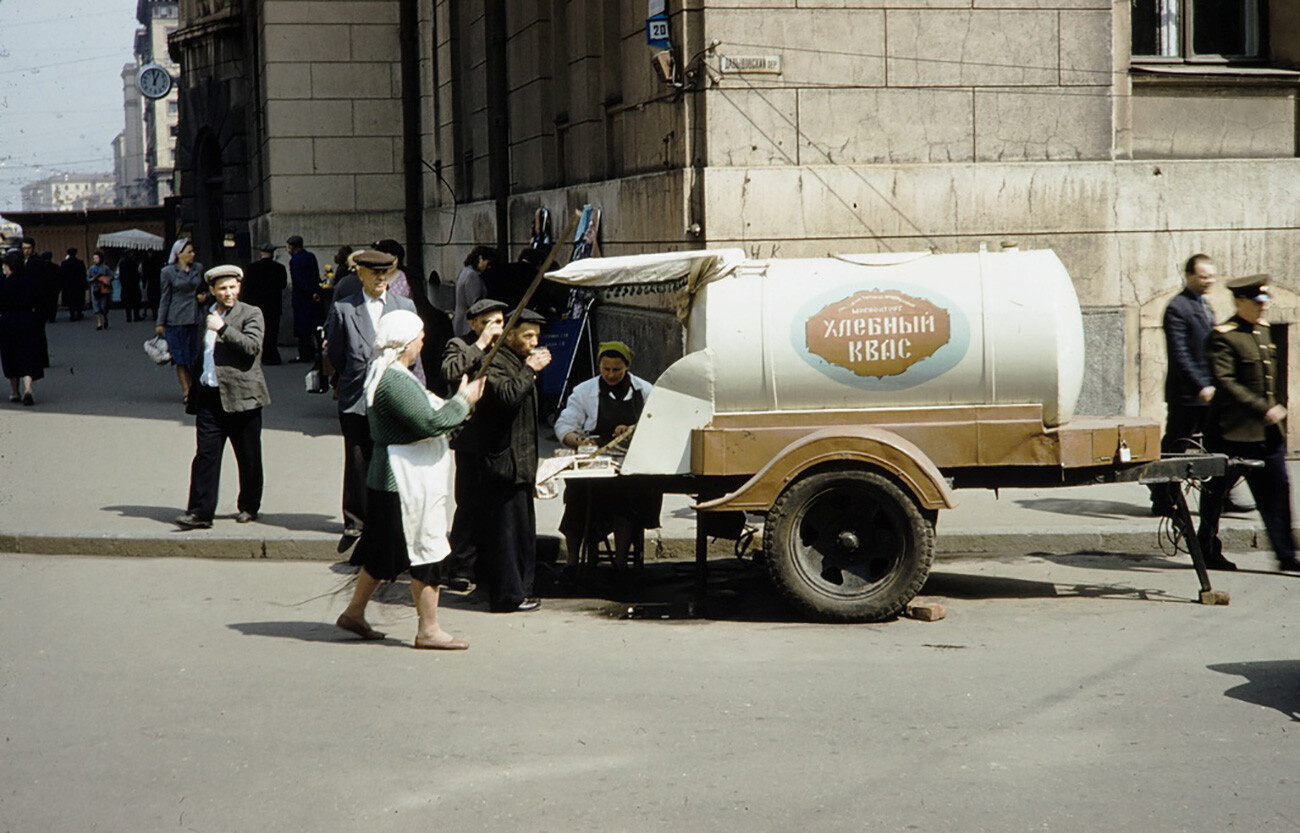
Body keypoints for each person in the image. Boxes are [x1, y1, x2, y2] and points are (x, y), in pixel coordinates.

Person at [335, 310, 485, 649]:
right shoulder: (393, 380)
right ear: (404, 342)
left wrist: (458, 403)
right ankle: (428, 629)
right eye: (419, 336)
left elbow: (428, 414)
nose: (422, 341)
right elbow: (431, 422)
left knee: (380, 551)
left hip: (393, 478)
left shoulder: (387, 372)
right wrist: (464, 400)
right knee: (426, 549)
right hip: (404, 481)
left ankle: (354, 613)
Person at [1196, 274, 1300, 573]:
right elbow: (1225, 382)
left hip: (1266, 435)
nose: (1263, 307)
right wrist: (1263, 409)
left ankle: (1285, 555)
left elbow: (1269, 381)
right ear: (1240, 302)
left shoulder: (1263, 331)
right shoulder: (1224, 336)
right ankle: (1207, 549)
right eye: (1257, 302)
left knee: (1277, 493)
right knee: (1215, 497)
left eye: (1266, 301)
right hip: (1231, 433)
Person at [454, 308, 551, 612]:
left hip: (519, 462)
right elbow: (508, 396)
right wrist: (531, 370)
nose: (534, 342)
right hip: (503, 462)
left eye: (536, 335)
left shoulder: (517, 361)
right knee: (506, 534)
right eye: (527, 335)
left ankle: (516, 588)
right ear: (509, 336)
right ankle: (508, 595)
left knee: (520, 532)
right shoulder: (494, 361)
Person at [325, 249, 416, 538]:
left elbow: (415, 353)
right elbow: (336, 354)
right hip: (357, 398)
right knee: (358, 458)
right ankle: (356, 520)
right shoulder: (344, 308)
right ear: (360, 274)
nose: (380, 277)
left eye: (385, 272)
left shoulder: (404, 306)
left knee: (394, 458)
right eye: (374, 272)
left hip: (394, 398)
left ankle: (391, 517)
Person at [174, 266, 271, 529]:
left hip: (242, 397)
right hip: (209, 396)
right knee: (206, 455)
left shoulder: (251, 313)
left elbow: (252, 348)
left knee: (248, 456)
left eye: (232, 287)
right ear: (213, 291)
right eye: (223, 288)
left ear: (239, 287)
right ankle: (200, 512)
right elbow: (201, 354)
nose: (229, 293)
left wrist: (224, 328)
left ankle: (249, 506)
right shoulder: (205, 315)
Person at [554, 340, 661, 573]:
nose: (610, 375)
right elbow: (564, 425)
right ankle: (572, 563)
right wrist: (580, 441)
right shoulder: (584, 391)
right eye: (605, 369)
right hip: (595, 458)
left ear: (627, 368)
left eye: (616, 370)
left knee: (625, 501)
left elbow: (658, 424)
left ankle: (621, 565)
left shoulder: (645, 391)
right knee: (577, 499)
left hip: (629, 461)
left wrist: (632, 430)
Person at [441, 297, 508, 589]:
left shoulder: (506, 347)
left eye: (500, 323)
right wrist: (480, 344)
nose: (496, 329)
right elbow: (450, 372)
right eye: (489, 323)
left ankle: (492, 563)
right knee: (468, 503)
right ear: (473, 324)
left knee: (497, 503)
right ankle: (461, 566)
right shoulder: (460, 344)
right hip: (470, 436)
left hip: (500, 437)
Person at [156, 238, 207, 404]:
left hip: (195, 317)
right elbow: (165, 297)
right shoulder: (168, 272)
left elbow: (206, 289)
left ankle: (195, 388)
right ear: (179, 254)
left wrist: (204, 298)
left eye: (193, 251)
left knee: (195, 357)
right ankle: (187, 391)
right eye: (189, 252)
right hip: (175, 319)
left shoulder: (198, 269)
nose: (193, 254)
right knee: (180, 358)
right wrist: (160, 322)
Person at [0, 250, 44, 405]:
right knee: (28, 355)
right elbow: (40, 301)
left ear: (8, 266)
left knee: (11, 356)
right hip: (28, 320)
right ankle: (28, 388)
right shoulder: (30, 282)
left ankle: (14, 392)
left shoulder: (4, 284)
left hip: (8, 321)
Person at [241, 244, 288, 365]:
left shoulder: (252, 268)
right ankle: (272, 355)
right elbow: (283, 285)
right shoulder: (279, 268)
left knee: (259, 330)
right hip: (274, 304)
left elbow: (247, 288)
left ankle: (260, 355)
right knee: (272, 331)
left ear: (261, 253)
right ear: (272, 253)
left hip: (257, 305)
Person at [287, 234, 323, 363]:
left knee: (303, 329)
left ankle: (305, 354)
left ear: (293, 247)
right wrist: (314, 291)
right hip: (313, 295)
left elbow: (298, 281)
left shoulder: (295, 261)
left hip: (302, 297)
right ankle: (318, 351)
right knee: (315, 325)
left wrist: (308, 291)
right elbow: (315, 275)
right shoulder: (311, 257)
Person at [452, 245, 498, 339]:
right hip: (468, 324)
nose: (488, 267)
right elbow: (475, 303)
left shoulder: (464, 271)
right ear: (480, 258)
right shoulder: (472, 275)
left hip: (460, 320)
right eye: (487, 263)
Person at [87, 251, 114, 331]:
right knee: (96, 306)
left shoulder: (105, 268)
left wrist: (104, 279)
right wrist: (93, 279)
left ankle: (105, 318)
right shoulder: (91, 268)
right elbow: (88, 278)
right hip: (95, 289)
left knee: (103, 306)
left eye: (97, 258)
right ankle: (99, 323)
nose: (95, 260)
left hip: (104, 288)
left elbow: (112, 276)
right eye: (94, 258)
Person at [60, 248, 86, 322]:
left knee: (70, 300)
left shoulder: (64, 263)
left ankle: (72, 314)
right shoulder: (80, 263)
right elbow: (83, 275)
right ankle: (79, 313)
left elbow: (62, 275)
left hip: (68, 285)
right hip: (78, 285)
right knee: (79, 299)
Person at [118, 253, 142, 322]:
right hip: (133, 285)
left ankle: (128, 317)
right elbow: (137, 274)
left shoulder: (122, 263)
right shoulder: (134, 262)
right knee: (135, 302)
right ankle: (136, 316)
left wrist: (122, 283)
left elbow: (121, 275)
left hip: (125, 285)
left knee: (127, 302)